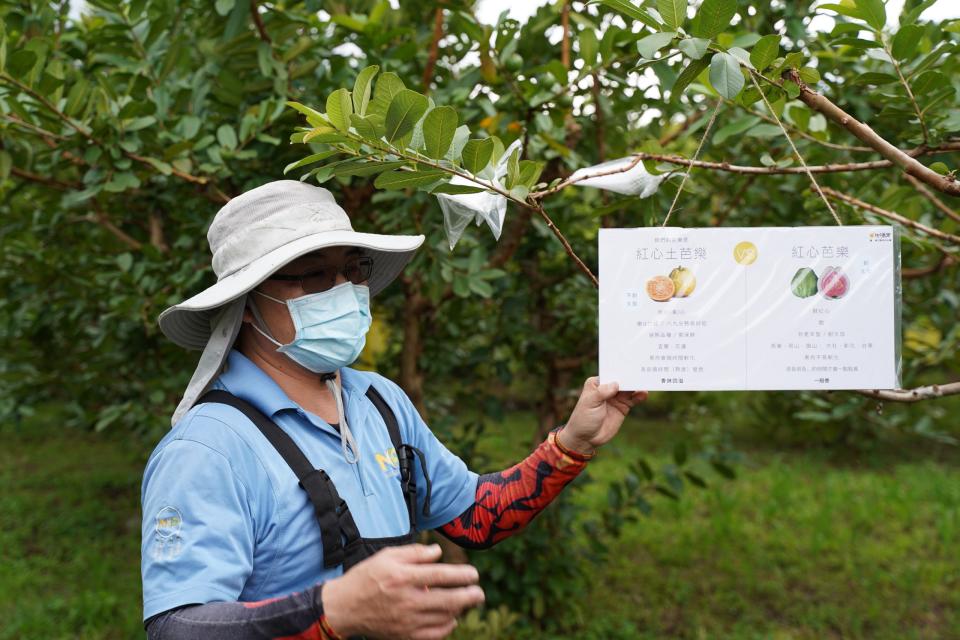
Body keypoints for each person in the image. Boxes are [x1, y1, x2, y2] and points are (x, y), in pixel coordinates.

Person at [141, 180, 647, 640]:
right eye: (313, 277)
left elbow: (475, 517)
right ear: (248, 304)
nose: (342, 292)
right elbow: (178, 629)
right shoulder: (209, 450)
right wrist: (330, 610)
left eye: (351, 269)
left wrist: (573, 444)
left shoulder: (379, 402)